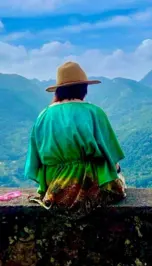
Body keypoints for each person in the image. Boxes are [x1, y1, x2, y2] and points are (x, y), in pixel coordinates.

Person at [25, 61, 126, 219]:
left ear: (58, 91)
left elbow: (36, 161)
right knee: (118, 179)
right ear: (83, 89)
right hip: (90, 186)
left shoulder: (43, 116)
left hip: (55, 190)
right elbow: (111, 159)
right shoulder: (94, 113)